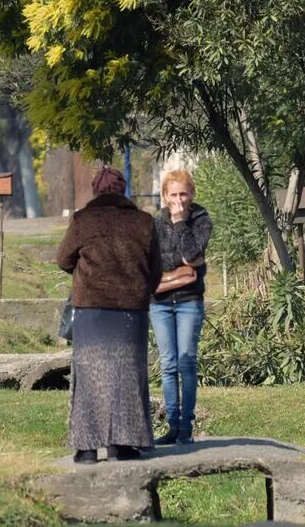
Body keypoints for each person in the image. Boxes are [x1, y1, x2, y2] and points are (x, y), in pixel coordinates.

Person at [56, 166, 161, 464]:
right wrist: (141, 289)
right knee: (128, 377)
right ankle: (124, 446)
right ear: (123, 189)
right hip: (131, 311)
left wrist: (84, 275)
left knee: (90, 378)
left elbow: (63, 258)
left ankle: (88, 449)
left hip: (92, 310)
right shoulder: (144, 222)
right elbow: (156, 270)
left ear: (95, 190)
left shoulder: (83, 220)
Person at [149, 168, 212, 445]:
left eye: (183, 194)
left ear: (192, 194)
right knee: (168, 363)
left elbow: (192, 254)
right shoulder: (153, 223)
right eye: (173, 194)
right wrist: (182, 263)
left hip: (189, 301)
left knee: (186, 360)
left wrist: (179, 223)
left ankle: (186, 427)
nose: (179, 199)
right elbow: (157, 262)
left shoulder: (201, 219)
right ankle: (172, 425)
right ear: (164, 196)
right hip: (160, 302)